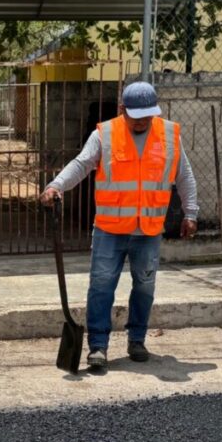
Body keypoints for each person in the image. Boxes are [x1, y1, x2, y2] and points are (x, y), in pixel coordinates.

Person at [39, 82, 198, 371]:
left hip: (148, 230)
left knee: (145, 287)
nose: (141, 122)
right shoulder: (105, 134)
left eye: (147, 116)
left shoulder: (169, 136)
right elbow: (81, 164)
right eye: (135, 116)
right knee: (101, 287)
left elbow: (184, 176)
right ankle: (98, 346)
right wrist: (56, 185)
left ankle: (137, 339)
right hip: (110, 229)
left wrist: (191, 213)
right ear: (122, 110)